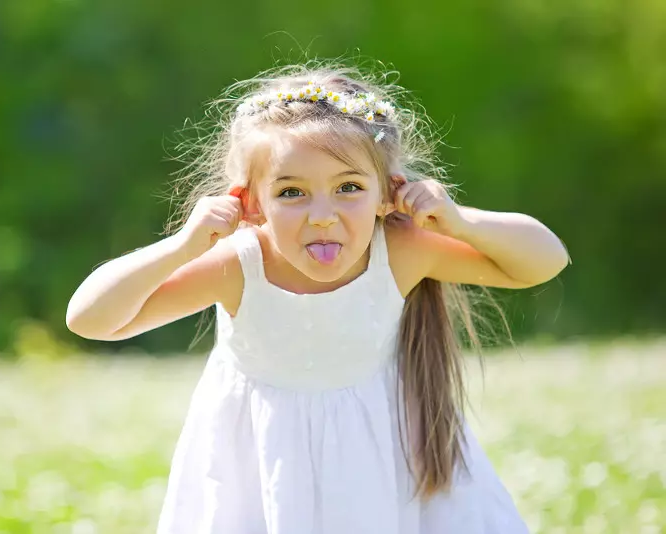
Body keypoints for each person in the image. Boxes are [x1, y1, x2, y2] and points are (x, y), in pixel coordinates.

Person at [66, 61, 570, 533]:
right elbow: (91, 319)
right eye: (292, 192)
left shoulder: (401, 251)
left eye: (349, 187)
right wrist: (182, 246)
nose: (322, 215)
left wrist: (460, 220)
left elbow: (543, 260)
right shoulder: (239, 266)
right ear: (250, 202)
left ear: (386, 194)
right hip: (260, 464)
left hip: (383, 458)